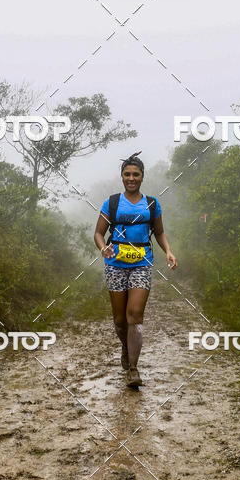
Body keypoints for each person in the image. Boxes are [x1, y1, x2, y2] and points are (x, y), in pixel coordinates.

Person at [94, 152, 177, 388]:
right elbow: (98, 233)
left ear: (142, 177)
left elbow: (159, 233)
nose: (131, 178)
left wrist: (168, 251)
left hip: (142, 264)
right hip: (115, 265)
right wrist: (103, 249)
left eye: (136, 174)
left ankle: (133, 368)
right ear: (122, 177)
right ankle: (125, 346)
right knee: (120, 320)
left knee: (135, 315)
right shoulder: (111, 203)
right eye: (127, 174)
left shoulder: (151, 204)